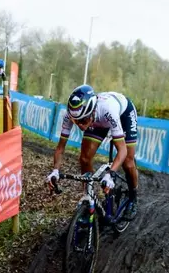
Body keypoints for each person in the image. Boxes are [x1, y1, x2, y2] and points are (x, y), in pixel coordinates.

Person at [46, 84, 139, 220]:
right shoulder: (72, 114)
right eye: (76, 121)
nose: (80, 125)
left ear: (91, 111)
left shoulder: (108, 110)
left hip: (123, 114)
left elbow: (122, 150)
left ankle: (133, 199)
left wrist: (110, 173)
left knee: (127, 162)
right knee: (85, 158)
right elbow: (61, 147)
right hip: (96, 120)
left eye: (82, 121)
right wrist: (55, 170)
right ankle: (89, 198)